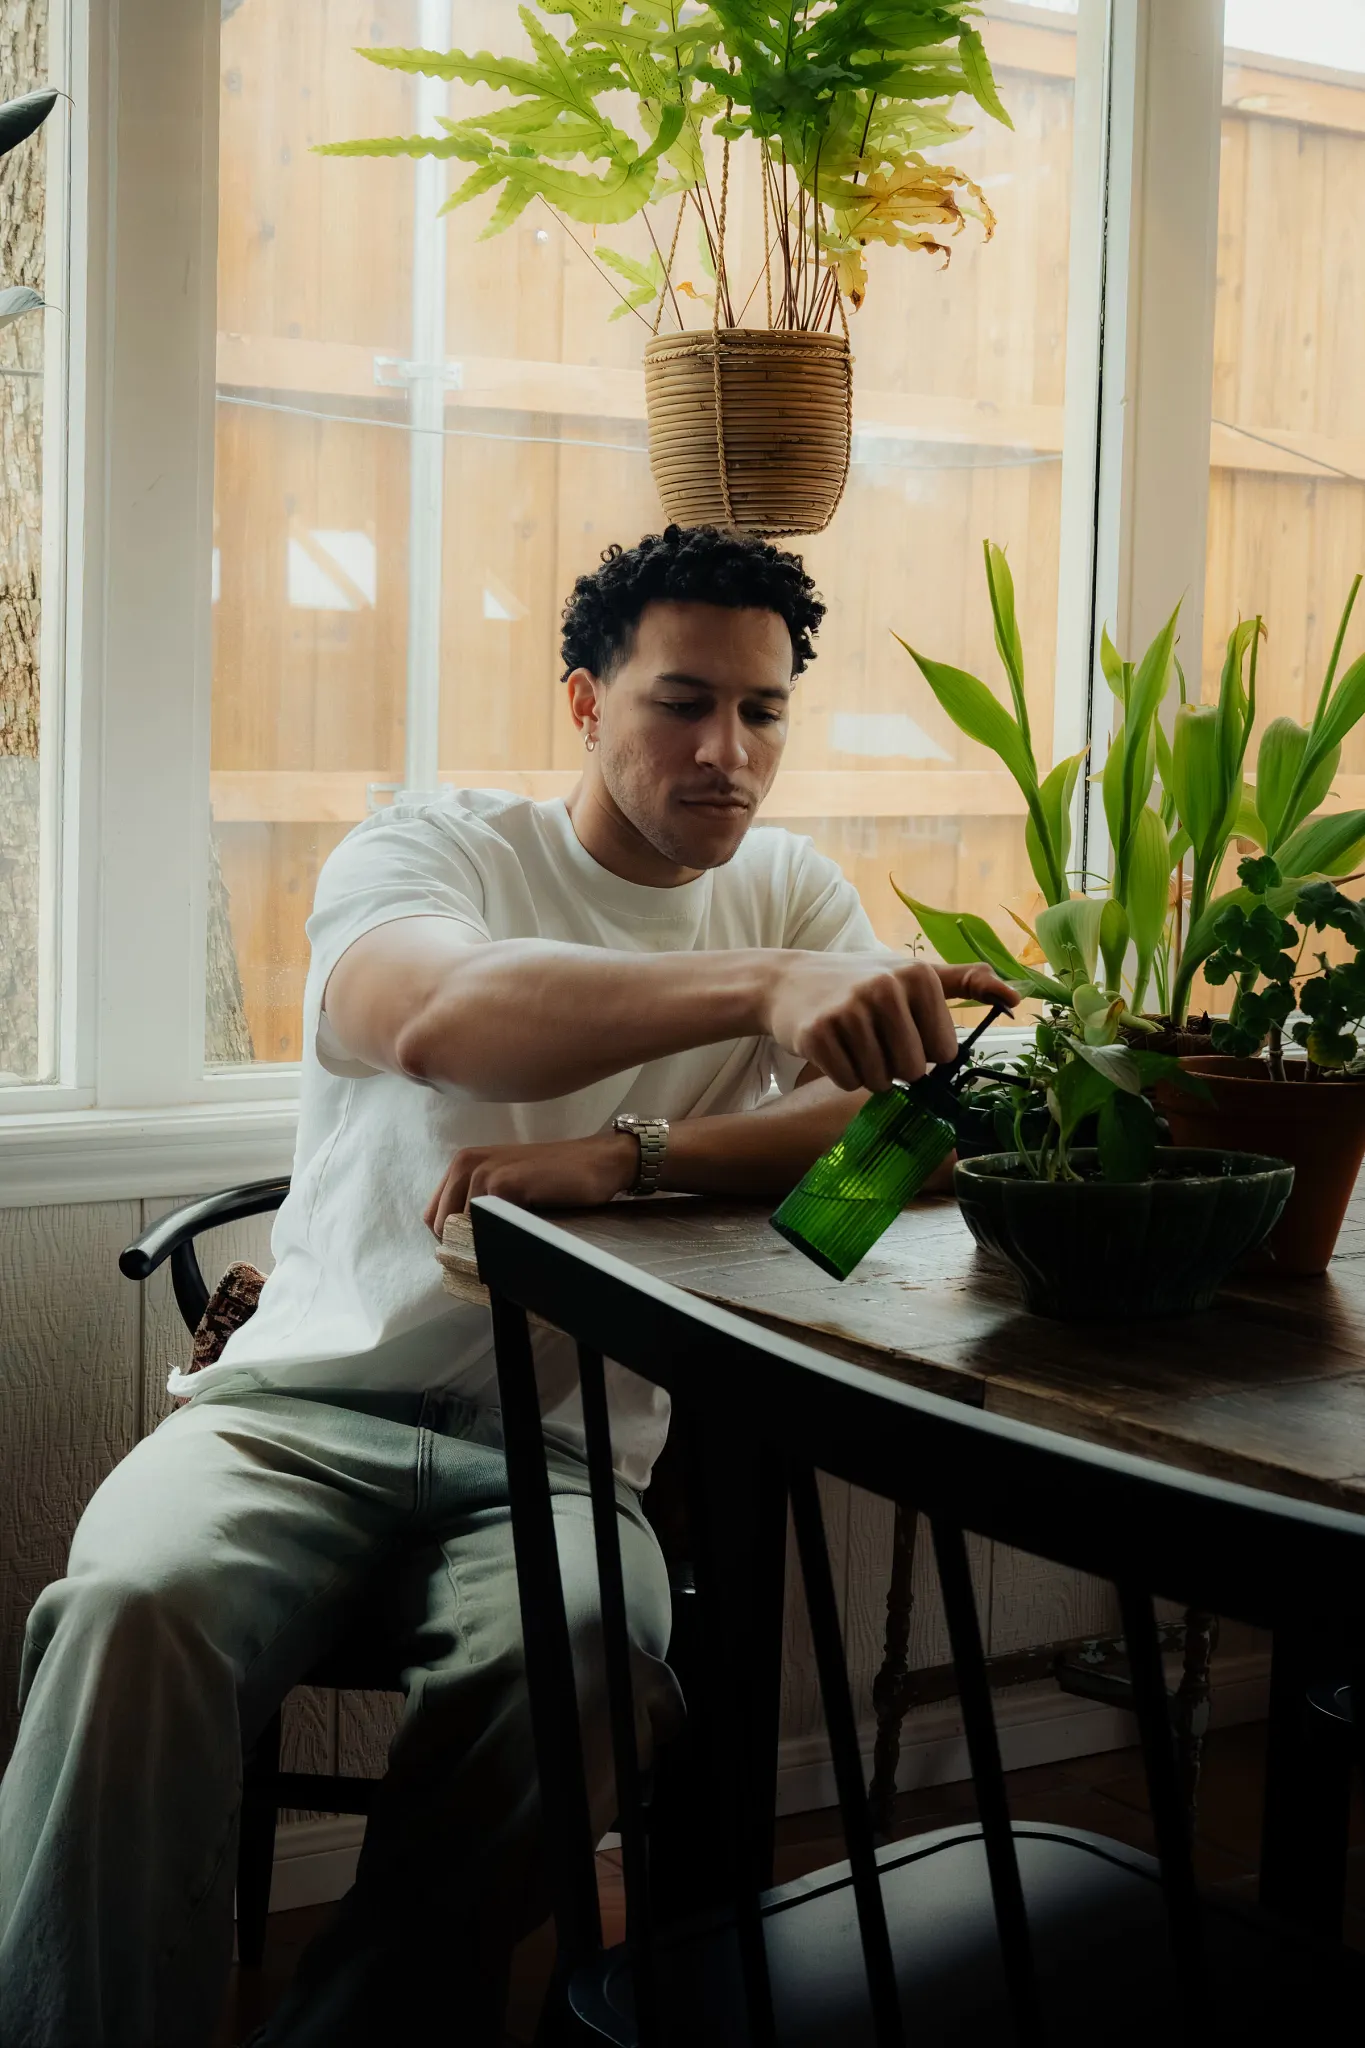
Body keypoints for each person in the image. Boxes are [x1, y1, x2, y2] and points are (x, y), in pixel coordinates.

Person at [0, 524, 1014, 2047]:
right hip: (292, 1415)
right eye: (682, 703)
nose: (727, 752)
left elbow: (896, 1154)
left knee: (602, 1661)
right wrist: (758, 990)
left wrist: (634, 1158)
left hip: (558, 1460)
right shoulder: (426, 849)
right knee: (128, 1609)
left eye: (764, 711)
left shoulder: (790, 888)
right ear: (584, 705)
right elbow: (445, 1022)